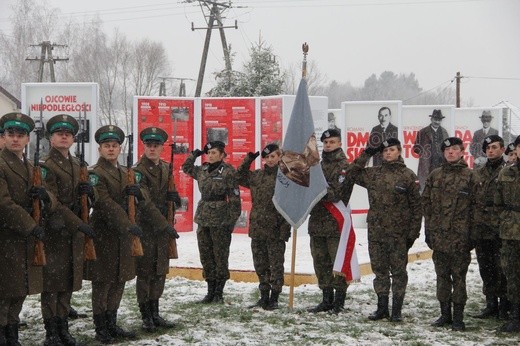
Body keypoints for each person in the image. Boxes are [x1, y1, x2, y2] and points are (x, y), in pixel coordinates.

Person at [84, 125, 145, 344]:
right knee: (103, 282)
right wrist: (128, 225)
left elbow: (133, 202)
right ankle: (101, 327)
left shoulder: (125, 173)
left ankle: (112, 322)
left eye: (115, 146)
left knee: (120, 279)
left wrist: (137, 195)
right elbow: (104, 203)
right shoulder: (94, 173)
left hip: (123, 237)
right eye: (106, 146)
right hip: (104, 235)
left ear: (120, 149)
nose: (111, 149)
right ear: (99, 149)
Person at [0, 112, 57, 345]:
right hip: (6, 237)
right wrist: (31, 226)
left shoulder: (31, 166)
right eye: (10, 134)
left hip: (24, 239)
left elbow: (51, 196)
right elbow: (4, 203)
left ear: (27, 140)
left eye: (20, 135)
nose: (15, 139)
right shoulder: (1, 164)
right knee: (4, 291)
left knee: (20, 288)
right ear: (3, 137)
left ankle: (12, 334)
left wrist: (45, 197)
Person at [40, 114, 96, 345]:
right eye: (59, 133)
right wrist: (78, 222)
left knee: (68, 281)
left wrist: (88, 194)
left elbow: (85, 201)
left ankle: (63, 326)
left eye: (68, 134)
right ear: (51, 138)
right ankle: (51, 330)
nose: (64, 136)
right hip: (56, 231)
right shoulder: (45, 166)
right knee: (52, 284)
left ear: (73, 139)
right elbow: (53, 202)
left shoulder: (78, 164)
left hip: (72, 232)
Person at [354, 138, 422, 322]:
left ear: (399, 151)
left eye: (391, 150)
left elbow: (417, 207)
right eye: (385, 151)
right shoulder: (374, 174)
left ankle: (397, 311)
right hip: (376, 232)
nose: (388, 153)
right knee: (380, 271)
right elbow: (353, 173)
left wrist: (413, 234)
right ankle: (382, 307)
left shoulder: (408, 175)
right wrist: (366, 154)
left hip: (398, 234)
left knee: (399, 272)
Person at [307, 129, 369, 314]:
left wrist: (317, 192)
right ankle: (326, 299)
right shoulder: (316, 166)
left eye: (332, 142)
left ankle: (339, 301)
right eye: (325, 143)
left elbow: (337, 193)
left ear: (340, 143)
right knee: (320, 261)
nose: (328, 146)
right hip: (317, 222)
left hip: (335, 223)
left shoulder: (344, 166)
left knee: (338, 262)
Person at [422, 137, 477, 331]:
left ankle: (458, 318)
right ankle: (445, 314)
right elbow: (426, 204)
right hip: (439, 236)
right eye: (447, 150)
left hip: (461, 237)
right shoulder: (435, 176)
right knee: (442, 277)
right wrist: (428, 231)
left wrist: (472, 236)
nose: (451, 152)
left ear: (462, 152)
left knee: (459, 278)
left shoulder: (471, 176)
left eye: (455, 149)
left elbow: (476, 209)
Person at [182, 141, 241, 304]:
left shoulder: (228, 171)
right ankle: (210, 290)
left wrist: (230, 221)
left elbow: (235, 199)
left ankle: (219, 292)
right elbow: (186, 168)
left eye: (214, 152)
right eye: (209, 153)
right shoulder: (203, 170)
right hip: (203, 217)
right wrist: (194, 155)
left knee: (220, 255)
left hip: (221, 218)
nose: (211, 155)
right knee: (206, 255)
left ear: (222, 155)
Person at [134, 127, 180, 332]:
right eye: (149, 145)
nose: (152, 149)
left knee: (160, 271)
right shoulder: (137, 171)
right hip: (147, 227)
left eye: (156, 146)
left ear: (162, 148)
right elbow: (144, 202)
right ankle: (146, 315)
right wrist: (164, 225)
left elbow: (171, 194)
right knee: (146, 272)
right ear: (144, 147)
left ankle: (155, 311)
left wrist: (175, 199)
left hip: (163, 229)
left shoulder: (165, 167)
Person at [236, 143, 291, 310]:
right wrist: (248, 160)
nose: (270, 160)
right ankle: (263, 296)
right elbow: (239, 177)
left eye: (273, 156)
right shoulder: (257, 176)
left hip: (275, 227)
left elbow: (288, 204)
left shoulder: (285, 177)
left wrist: (284, 229)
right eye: (267, 157)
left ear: (279, 156)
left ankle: (274, 297)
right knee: (260, 264)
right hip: (258, 227)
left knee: (275, 264)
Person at [471, 135, 508, 320]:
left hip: (501, 230)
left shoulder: (509, 171)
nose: (491, 151)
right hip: (482, 230)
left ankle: (504, 306)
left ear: (502, 149)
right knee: (486, 269)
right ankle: (490, 304)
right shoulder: (478, 172)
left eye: (494, 147)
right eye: (488, 148)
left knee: (502, 269)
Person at [494, 135, 520, 333]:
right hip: (510, 233)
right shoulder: (505, 173)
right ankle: (515, 316)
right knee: (512, 275)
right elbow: (498, 203)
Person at [413, 109, 449, 192]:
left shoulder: (444, 132)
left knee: (441, 189)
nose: (437, 122)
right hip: (427, 167)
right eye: (435, 119)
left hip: (441, 166)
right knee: (426, 190)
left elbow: (448, 148)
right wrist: (424, 153)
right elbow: (415, 148)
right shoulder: (422, 132)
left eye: (439, 120)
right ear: (431, 119)